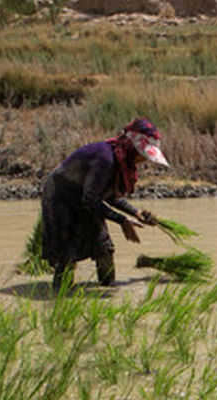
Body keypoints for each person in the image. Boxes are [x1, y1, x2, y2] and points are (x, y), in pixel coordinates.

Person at [40, 118, 168, 290]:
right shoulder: (105, 160)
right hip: (61, 197)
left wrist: (135, 212)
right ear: (132, 147)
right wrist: (122, 221)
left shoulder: (122, 163)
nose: (144, 160)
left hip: (84, 197)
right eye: (142, 154)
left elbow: (108, 195)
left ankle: (108, 288)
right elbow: (91, 200)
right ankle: (61, 294)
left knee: (104, 248)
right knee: (68, 252)